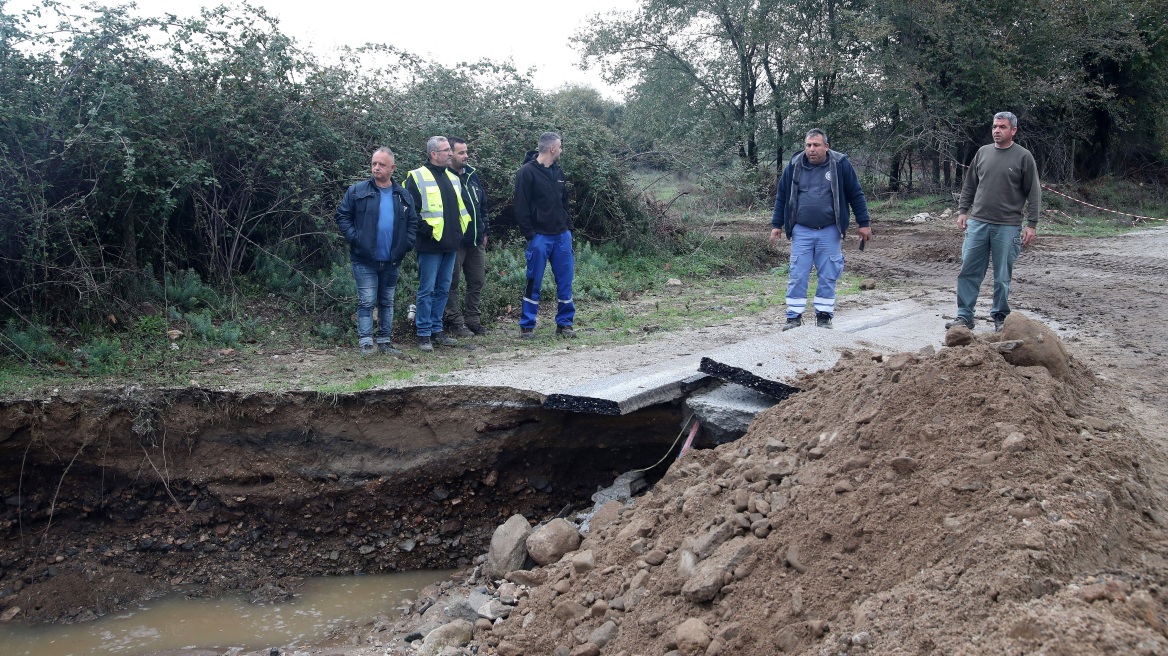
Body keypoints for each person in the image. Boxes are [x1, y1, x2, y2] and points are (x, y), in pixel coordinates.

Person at [770, 128, 872, 330]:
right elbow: (782, 195)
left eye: (816, 145)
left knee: (828, 274)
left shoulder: (840, 164)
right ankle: (793, 317)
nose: (811, 149)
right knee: (798, 273)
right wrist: (776, 225)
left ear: (826, 146)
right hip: (802, 230)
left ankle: (824, 317)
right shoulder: (794, 165)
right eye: (808, 145)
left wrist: (864, 223)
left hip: (829, 230)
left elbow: (856, 194)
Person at [948, 111, 1040, 333]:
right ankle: (964, 317)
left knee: (1001, 276)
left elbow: (1033, 191)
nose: (997, 131)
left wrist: (1032, 224)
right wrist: (962, 211)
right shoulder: (982, 153)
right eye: (994, 127)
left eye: (1002, 127)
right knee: (969, 270)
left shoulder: (1023, 156)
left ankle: (1000, 317)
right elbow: (970, 185)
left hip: (1007, 225)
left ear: (1013, 131)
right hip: (978, 222)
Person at [335, 147, 418, 356]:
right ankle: (365, 344)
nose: (376, 168)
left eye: (381, 164)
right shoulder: (357, 191)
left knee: (387, 302)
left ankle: (384, 343)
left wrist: (405, 245)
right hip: (364, 259)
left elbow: (412, 224)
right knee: (366, 301)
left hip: (391, 260)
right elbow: (342, 217)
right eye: (374, 163)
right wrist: (357, 239)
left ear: (393, 168)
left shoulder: (403, 195)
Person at [405, 136, 470, 351]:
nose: (450, 153)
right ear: (434, 154)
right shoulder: (416, 177)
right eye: (446, 150)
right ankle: (423, 333)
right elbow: (410, 213)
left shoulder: (452, 177)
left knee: (443, 289)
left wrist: (459, 234)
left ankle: (436, 329)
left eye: (450, 150)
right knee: (427, 290)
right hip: (430, 245)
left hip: (450, 244)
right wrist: (429, 233)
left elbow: (460, 209)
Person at [514, 131, 575, 338]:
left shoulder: (558, 172)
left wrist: (567, 228)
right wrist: (531, 235)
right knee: (534, 281)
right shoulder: (526, 173)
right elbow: (520, 208)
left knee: (565, 281)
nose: (561, 150)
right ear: (552, 149)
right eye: (560, 147)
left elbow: (564, 202)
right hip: (540, 237)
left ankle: (565, 324)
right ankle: (527, 326)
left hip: (561, 236)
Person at [443, 137, 491, 337]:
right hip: (456, 242)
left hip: (476, 240)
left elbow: (482, 204)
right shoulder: (444, 177)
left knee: (477, 281)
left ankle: (473, 320)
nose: (466, 156)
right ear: (450, 154)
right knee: (452, 283)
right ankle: (455, 322)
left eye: (466, 152)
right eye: (461, 152)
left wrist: (485, 230)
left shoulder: (472, 174)